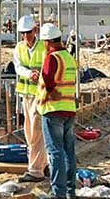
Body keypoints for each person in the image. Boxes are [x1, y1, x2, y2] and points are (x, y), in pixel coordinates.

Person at [37, 23, 78, 199]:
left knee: (55, 152)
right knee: (69, 151)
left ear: (47, 42)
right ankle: (70, 191)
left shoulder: (52, 57)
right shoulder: (68, 57)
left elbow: (48, 78)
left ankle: (58, 192)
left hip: (53, 110)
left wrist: (51, 92)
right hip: (69, 109)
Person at [13, 14, 48, 183]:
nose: (26, 36)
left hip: (40, 95)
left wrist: (38, 75)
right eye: (23, 33)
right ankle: (42, 163)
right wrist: (29, 73)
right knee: (29, 132)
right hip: (25, 94)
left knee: (36, 132)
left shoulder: (43, 47)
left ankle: (35, 170)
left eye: (29, 32)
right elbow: (18, 66)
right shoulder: (20, 47)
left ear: (35, 30)